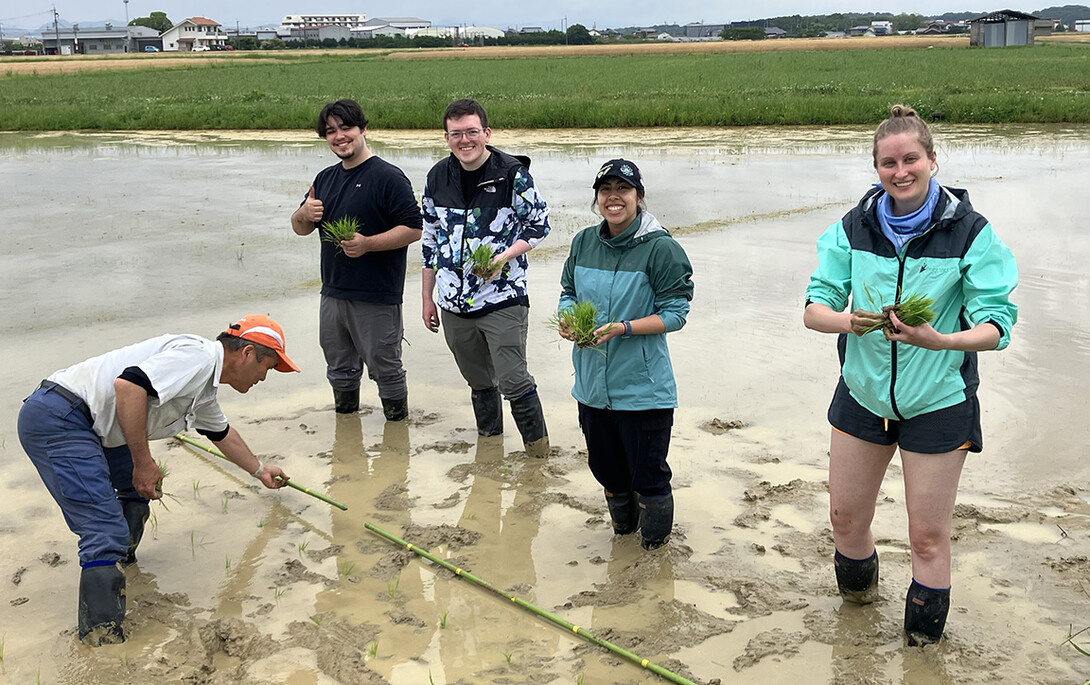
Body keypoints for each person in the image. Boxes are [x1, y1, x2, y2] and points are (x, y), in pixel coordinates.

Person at [803, 105, 1019, 645]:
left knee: (926, 536)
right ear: (875, 168)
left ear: (932, 159)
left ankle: (920, 653)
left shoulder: (971, 232)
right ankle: (856, 613)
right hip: (863, 394)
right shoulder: (852, 227)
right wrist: (850, 321)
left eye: (911, 159)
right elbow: (815, 308)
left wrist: (939, 339)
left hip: (939, 400)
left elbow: (996, 324)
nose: (901, 172)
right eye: (888, 163)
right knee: (845, 519)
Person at [17, 314, 301, 645]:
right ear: (248, 353)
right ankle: (102, 639)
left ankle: (119, 564)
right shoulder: (197, 357)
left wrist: (259, 470)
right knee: (102, 529)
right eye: (268, 367)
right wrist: (142, 461)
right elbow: (129, 386)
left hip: (92, 425)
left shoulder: (204, 387)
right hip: (61, 418)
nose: (264, 378)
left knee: (140, 491)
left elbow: (220, 432)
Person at [558, 159, 694, 550]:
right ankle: (623, 537)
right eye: (606, 190)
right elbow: (569, 291)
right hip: (592, 387)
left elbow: (676, 314)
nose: (614, 197)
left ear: (639, 196)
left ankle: (654, 552)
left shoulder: (661, 249)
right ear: (597, 198)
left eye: (624, 189)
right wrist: (569, 320)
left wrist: (624, 328)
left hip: (643, 389)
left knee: (648, 476)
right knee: (608, 473)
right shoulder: (583, 241)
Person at [420, 98, 551, 456]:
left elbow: (540, 225)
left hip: (502, 297)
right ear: (446, 138)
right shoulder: (436, 177)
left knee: (513, 378)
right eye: (456, 134)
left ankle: (538, 455)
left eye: (472, 132)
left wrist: (503, 257)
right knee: (478, 380)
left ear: (486, 133)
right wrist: (426, 297)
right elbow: (430, 240)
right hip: (452, 303)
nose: (465, 140)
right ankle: (489, 449)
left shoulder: (511, 174)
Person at [291, 99, 422, 420]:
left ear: (363, 129)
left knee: (386, 369)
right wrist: (304, 214)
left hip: (376, 295)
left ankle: (397, 433)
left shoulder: (388, 177)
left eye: (346, 128)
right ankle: (346, 432)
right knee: (339, 368)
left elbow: (413, 229)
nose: (339, 136)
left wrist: (367, 244)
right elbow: (300, 228)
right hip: (333, 294)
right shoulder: (324, 179)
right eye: (331, 131)